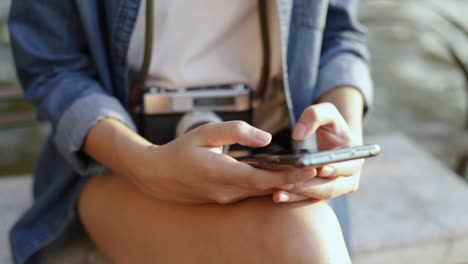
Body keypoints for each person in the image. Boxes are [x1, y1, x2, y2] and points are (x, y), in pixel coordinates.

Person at [8, 0, 373, 263]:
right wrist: (145, 163)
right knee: (303, 242)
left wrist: (346, 132)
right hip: (117, 163)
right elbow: (52, 66)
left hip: (278, 157)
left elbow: (337, 35)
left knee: (305, 237)